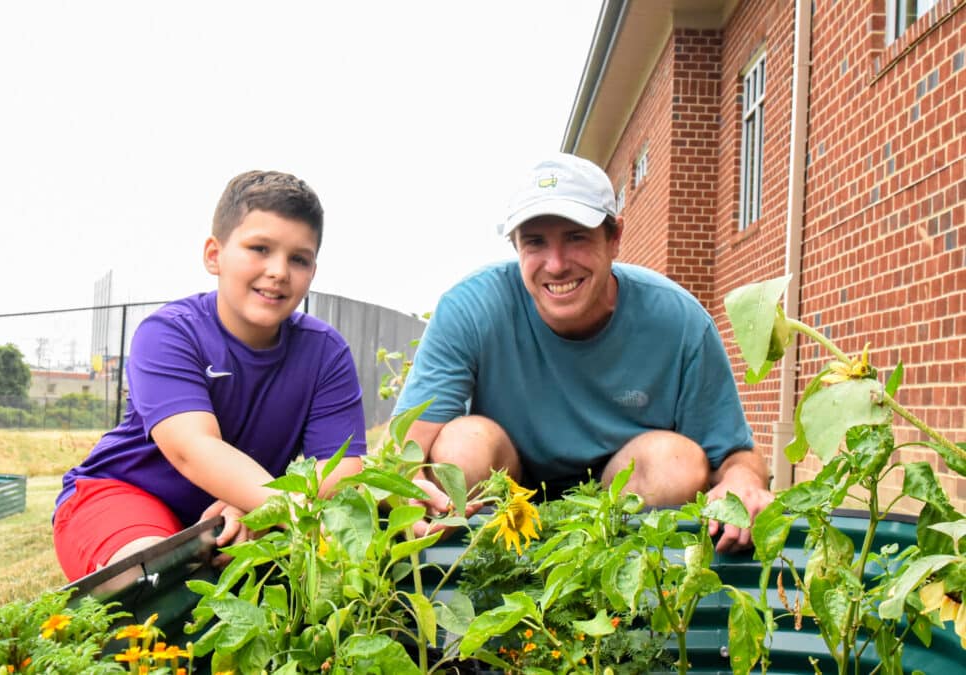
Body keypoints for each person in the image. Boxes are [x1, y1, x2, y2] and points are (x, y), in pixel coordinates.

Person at [394, 153, 772, 552]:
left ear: (614, 238)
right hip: (507, 501)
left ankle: (628, 594)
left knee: (676, 462)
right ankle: (469, 572)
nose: (556, 265)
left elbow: (735, 457)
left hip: (617, 506)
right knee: (460, 445)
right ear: (515, 247)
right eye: (536, 242)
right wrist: (410, 490)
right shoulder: (471, 309)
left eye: (576, 237)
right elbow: (404, 455)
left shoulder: (679, 322)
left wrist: (743, 484)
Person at [53, 170, 367, 582]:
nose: (278, 271)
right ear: (213, 255)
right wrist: (273, 504)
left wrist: (254, 502)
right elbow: (194, 448)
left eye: (298, 259)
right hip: (123, 494)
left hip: (233, 507)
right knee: (152, 580)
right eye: (260, 248)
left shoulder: (325, 353)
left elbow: (343, 471)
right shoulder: (169, 332)